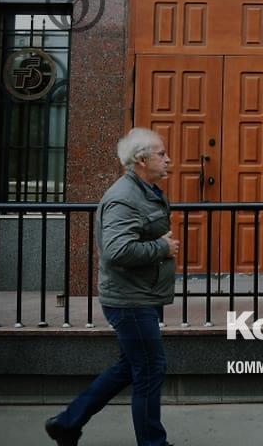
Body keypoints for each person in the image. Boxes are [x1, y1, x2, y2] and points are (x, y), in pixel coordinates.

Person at [45, 128, 179, 446]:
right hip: (129, 300)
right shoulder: (124, 198)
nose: (168, 159)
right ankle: (152, 443)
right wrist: (162, 247)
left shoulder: (143, 190)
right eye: (161, 153)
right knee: (150, 368)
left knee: (130, 366)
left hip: (138, 293)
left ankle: (67, 423)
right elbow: (117, 251)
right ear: (141, 159)